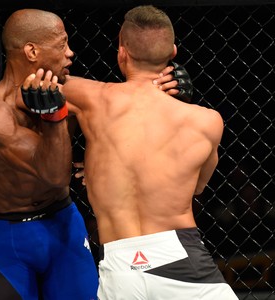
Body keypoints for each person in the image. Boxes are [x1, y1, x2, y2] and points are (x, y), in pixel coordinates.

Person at [0, 8, 188, 300]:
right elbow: (54, 177)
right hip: (10, 238)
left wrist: (171, 91)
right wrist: (55, 117)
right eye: (61, 45)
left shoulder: (69, 89)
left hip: (63, 223)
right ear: (32, 51)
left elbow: (130, 108)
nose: (70, 53)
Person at [59, 5, 238, 299]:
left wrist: (102, 164)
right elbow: (197, 187)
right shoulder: (207, 120)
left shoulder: (90, 97)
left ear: (122, 52)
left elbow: (33, 84)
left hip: (119, 263)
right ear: (174, 53)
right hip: (181, 256)